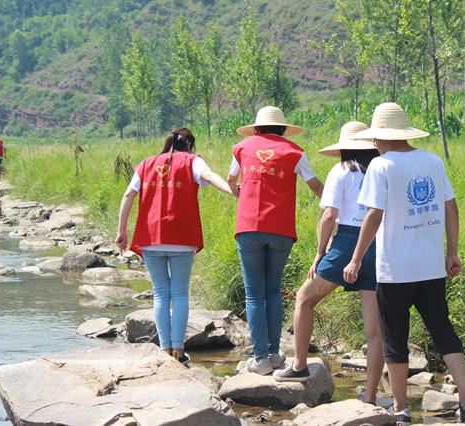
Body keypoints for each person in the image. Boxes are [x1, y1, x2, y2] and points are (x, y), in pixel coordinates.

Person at [343, 103, 465, 424]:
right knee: (443, 330)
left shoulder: (381, 166)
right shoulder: (432, 161)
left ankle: (401, 407)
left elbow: (374, 215)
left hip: (395, 271)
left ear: (380, 137)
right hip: (432, 267)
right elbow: (451, 207)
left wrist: (355, 258)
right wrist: (452, 252)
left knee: (395, 339)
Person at [273, 121, 384, 404]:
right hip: (378, 242)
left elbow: (328, 214)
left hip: (347, 241)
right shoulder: (381, 168)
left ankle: (299, 365)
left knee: (304, 298)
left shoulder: (341, 170)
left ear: (344, 146)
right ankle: (370, 397)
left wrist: (321, 251)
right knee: (375, 329)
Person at [115, 127, 232, 365]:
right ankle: (178, 351)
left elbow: (128, 195)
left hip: (150, 237)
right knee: (179, 293)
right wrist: (232, 190)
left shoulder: (146, 164)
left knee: (160, 292)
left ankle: (165, 350)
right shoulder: (192, 161)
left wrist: (121, 231)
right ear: (189, 144)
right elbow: (209, 177)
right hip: (182, 238)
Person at [227, 106, 324, 375]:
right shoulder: (294, 151)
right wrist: (340, 208)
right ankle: (274, 352)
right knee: (272, 291)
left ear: (257, 128)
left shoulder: (243, 148)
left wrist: (241, 195)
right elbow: (315, 185)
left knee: (254, 294)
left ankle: (260, 359)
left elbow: (231, 179)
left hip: (248, 228)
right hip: (281, 229)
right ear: (283, 129)